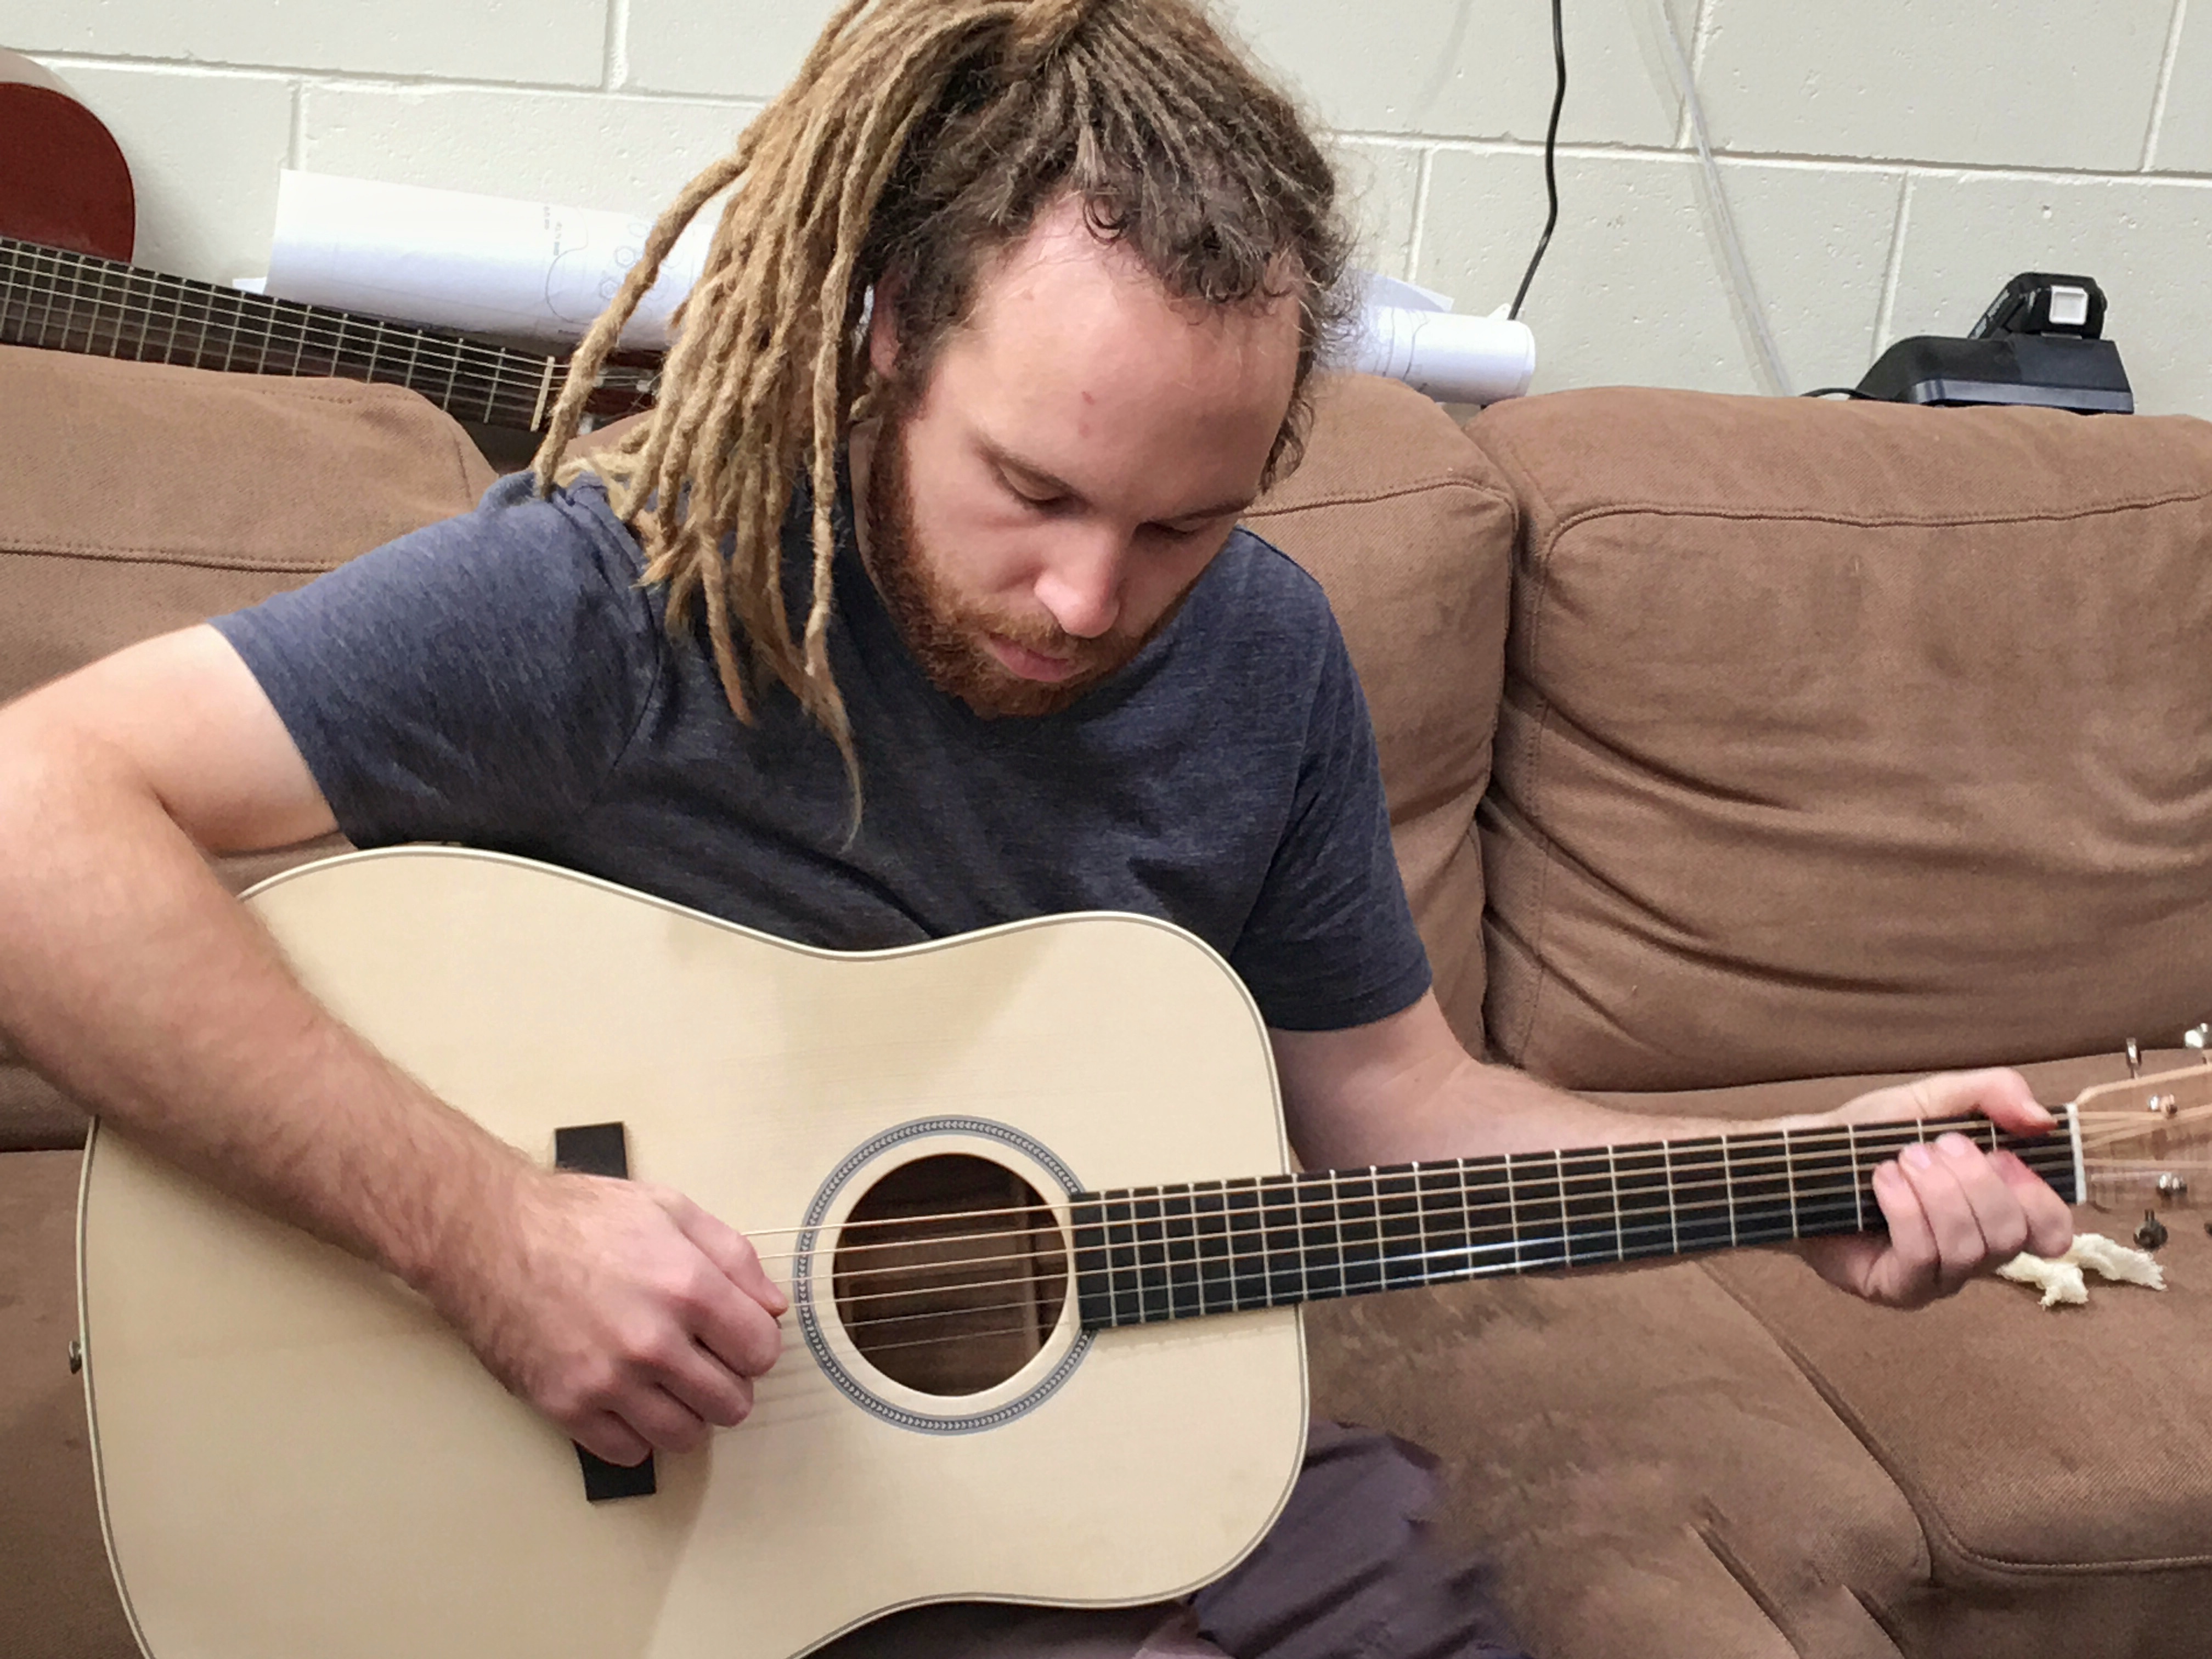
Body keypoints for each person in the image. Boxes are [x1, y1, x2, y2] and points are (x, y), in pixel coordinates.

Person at [0, 1, 2071, 1654]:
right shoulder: (630, 593)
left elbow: (1402, 1109)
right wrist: (489, 1233)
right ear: (885, 341)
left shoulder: (1261, 660)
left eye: (1182, 521)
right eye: (1034, 491)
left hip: (1067, 1461)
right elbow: (36, 815)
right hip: (638, 1491)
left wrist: (1781, 1179)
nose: (1093, 603)